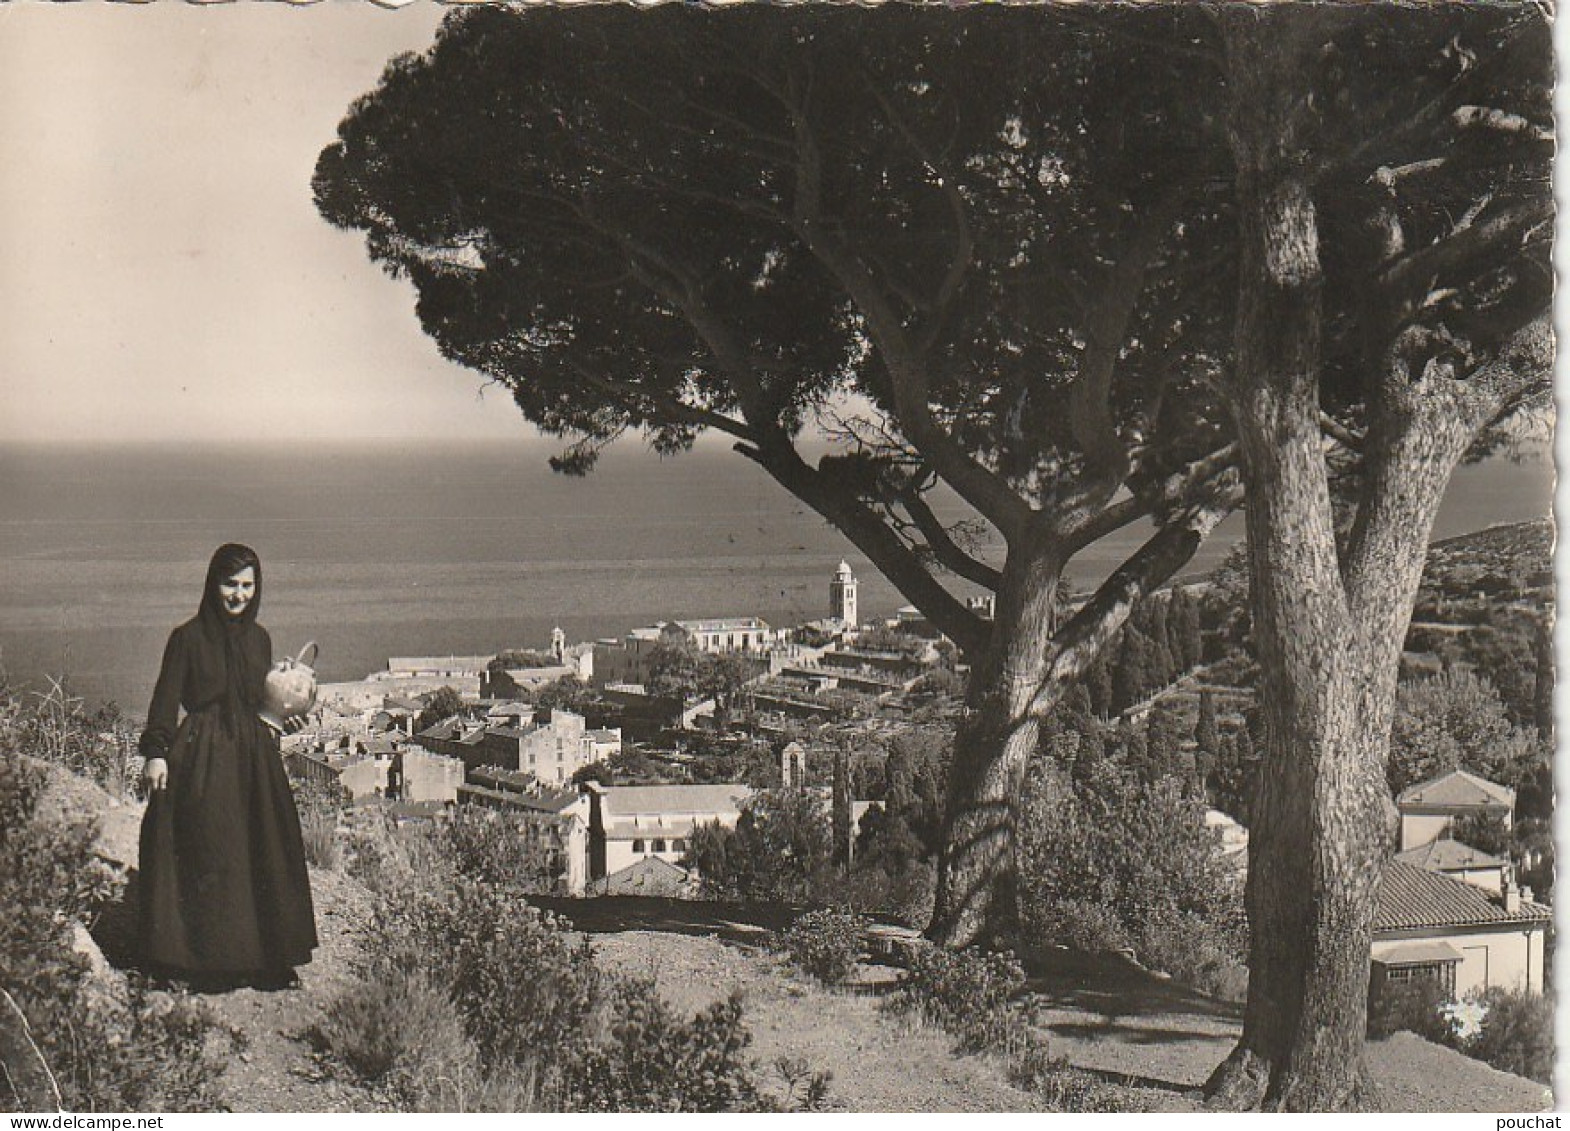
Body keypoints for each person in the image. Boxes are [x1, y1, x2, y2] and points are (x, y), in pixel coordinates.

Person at [137, 543, 317, 990]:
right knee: (211, 850)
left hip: (255, 758)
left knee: (263, 850)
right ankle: (195, 962)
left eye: (247, 585)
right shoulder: (186, 637)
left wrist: (285, 700)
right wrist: (156, 753)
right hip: (201, 757)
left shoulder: (261, 639)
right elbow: (164, 701)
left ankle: (267, 958)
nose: (238, 594)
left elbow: (264, 705)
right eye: (230, 584)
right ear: (212, 583)